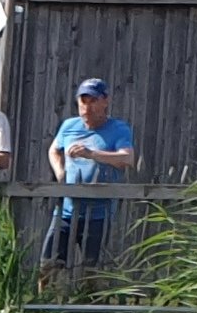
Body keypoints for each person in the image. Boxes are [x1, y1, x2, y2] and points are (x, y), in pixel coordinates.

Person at [43, 79, 133, 278]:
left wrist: (92, 154)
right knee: (49, 266)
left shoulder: (118, 129)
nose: (87, 107)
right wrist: (60, 173)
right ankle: (47, 305)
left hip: (98, 213)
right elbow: (54, 150)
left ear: (105, 101)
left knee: (92, 271)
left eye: (93, 100)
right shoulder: (69, 126)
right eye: (83, 101)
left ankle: (89, 308)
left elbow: (127, 158)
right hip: (66, 210)